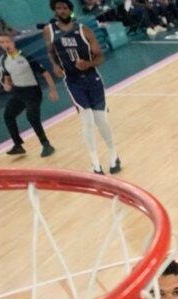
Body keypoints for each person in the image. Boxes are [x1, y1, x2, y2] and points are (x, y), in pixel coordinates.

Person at [45, 0, 120, 174]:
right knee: (86, 121)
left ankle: (113, 155)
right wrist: (55, 65)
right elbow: (50, 51)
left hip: (92, 78)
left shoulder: (83, 30)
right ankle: (95, 163)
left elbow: (100, 57)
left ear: (70, 10)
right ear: (55, 11)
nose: (61, 11)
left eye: (64, 8)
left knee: (100, 121)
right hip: (73, 81)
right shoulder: (49, 31)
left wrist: (88, 63)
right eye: (58, 8)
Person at [0, 32, 56, 157]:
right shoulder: (4, 60)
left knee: (31, 116)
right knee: (8, 115)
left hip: (33, 93)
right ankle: (18, 146)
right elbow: (7, 76)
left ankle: (46, 144)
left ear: (13, 43)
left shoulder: (25, 57)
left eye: (7, 41)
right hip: (18, 93)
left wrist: (53, 90)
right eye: (2, 43)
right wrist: (6, 84)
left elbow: (45, 73)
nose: (5, 44)